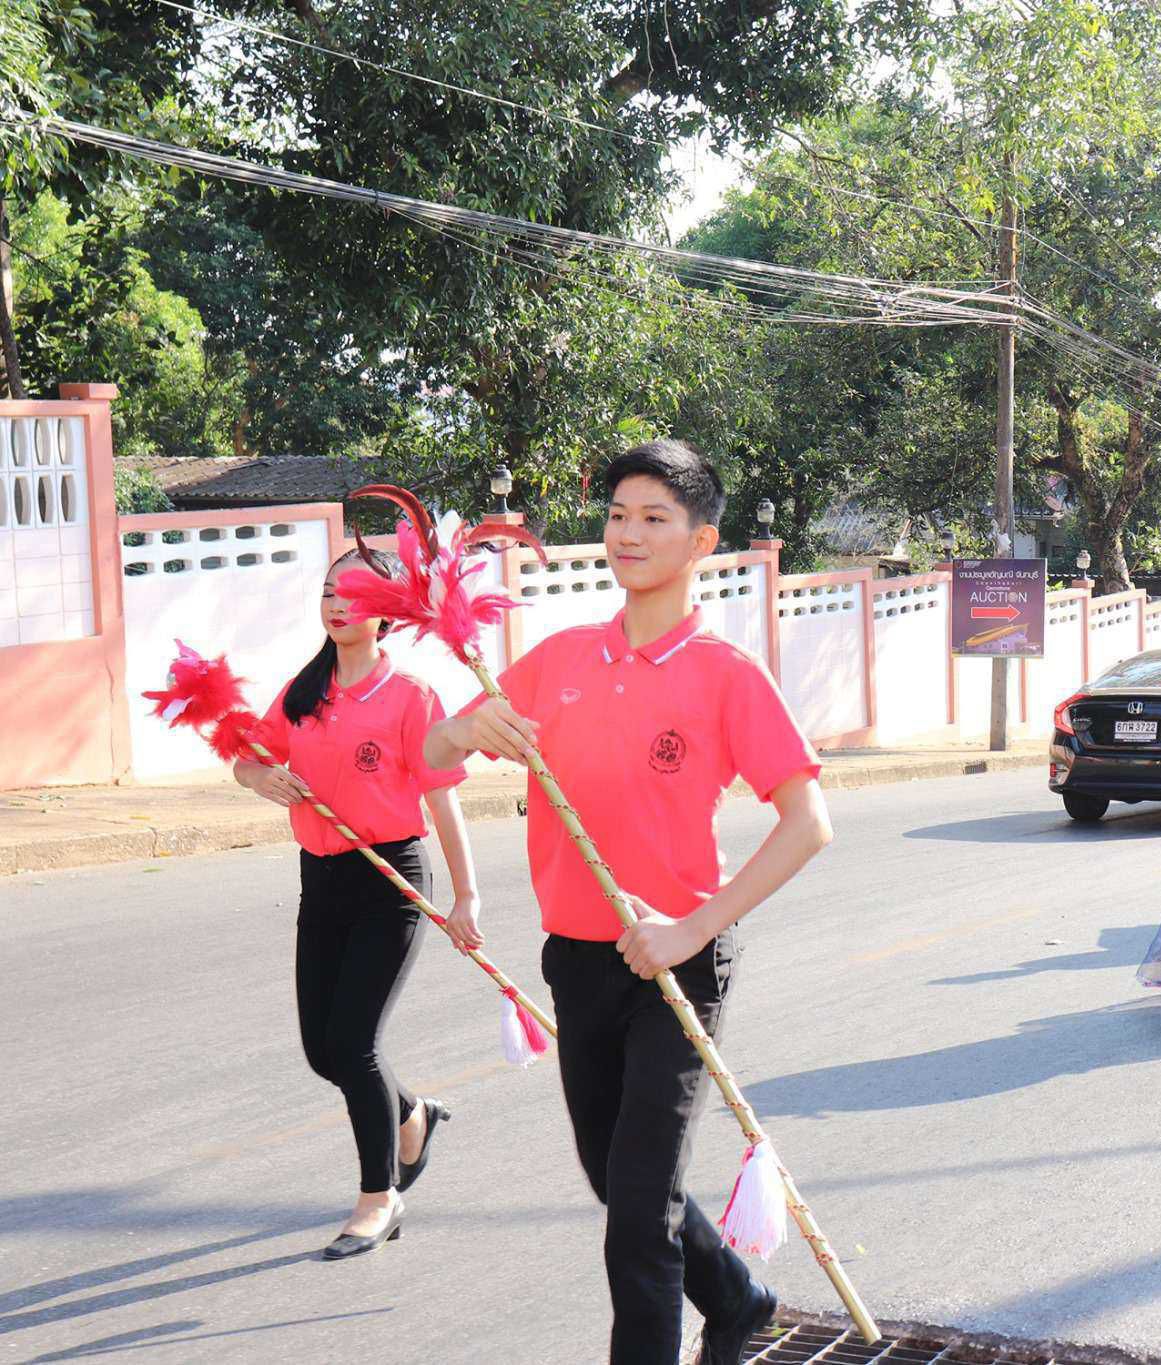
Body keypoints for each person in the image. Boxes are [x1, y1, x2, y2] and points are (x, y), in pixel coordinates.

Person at [424, 441, 830, 1365]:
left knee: (638, 1216)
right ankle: (736, 1297)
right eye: (617, 515)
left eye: (654, 517)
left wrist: (692, 927)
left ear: (702, 541)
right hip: (575, 960)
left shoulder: (727, 673)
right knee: (619, 1181)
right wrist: (463, 725)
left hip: (678, 965)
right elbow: (434, 756)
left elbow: (809, 823)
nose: (629, 533)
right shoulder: (559, 658)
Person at [238, 547, 478, 1258]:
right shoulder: (304, 691)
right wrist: (260, 778)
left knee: (354, 1043)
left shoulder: (410, 696)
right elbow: (247, 756)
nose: (338, 604)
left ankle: (380, 1196)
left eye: (355, 595)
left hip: (390, 881)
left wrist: (466, 895)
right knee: (323, 1050)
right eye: (328, 592)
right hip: (321, 880)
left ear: (386, 614)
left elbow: (442, 799)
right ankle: (412, 1115)